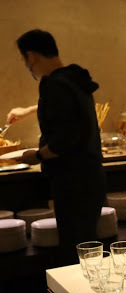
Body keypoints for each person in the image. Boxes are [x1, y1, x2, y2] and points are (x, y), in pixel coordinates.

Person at [8, 29, 106, 268]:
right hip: (91, 177)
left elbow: (66, 139)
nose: (26, 66)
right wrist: (29, 111)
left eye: (24, 59)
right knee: (87, 245)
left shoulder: (53, 84)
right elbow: (69, 108)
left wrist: (37, 155)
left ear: (31, 56)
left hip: (73, 181)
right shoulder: (74, 77)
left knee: (76, 251)